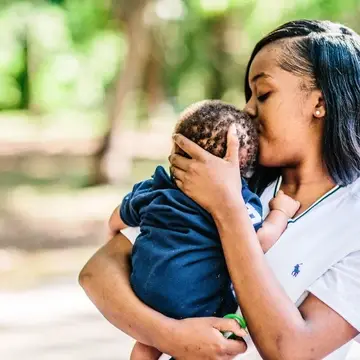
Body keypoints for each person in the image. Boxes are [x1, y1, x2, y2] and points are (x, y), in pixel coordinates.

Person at [79, 19, 360, 360]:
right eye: (249, 96)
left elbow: (292, 349)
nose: (248, 110)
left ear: (320, 101)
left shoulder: (351, 217)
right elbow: (97, 271)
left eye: (264, 93)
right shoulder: (233, 178)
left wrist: (227, 207)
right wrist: (169, 336)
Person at [108, 100, 300, 359]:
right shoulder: (237, 201)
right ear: (243, 166)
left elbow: (119, 216)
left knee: (147, 344)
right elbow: (259, 241)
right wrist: (281, 213)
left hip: (144, 291)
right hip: (196, 301)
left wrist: (112, 231)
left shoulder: (156, 187)